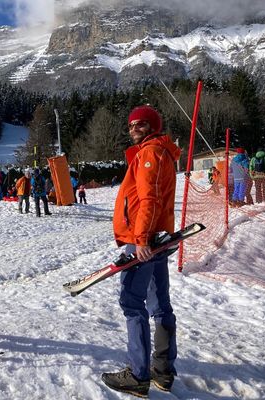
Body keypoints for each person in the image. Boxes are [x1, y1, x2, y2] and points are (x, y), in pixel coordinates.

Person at [101, 105, 181, 398]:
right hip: (157, 238)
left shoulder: (150, 153)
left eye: (141, 124)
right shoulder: (159, 151)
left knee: (132, 302)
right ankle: (163, 371)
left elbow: (149, 199)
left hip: (146, 239)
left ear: (154, 126)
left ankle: (138, 374)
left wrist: (142, 239)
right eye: (131, 124)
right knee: (160, 304)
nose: (134, 128)